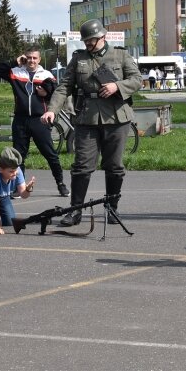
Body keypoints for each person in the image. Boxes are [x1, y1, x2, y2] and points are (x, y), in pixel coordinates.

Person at [41, 19, 143, 226]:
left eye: (92, 41)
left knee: (114, 167)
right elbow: (64, 87)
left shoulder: (121, 55)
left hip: (116, 118)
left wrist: (117, 86)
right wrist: (52, 110)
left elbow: (137, 80)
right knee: (81, 166)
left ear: (103, 37)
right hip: (86, 118)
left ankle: (112, 209)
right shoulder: (79, 59)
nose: (88, 44)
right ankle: (75, 211)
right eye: (85, 41)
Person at [0, 46, 70, 197]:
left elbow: (56, 94)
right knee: (18, 156)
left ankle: (61, 184)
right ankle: (18, 187)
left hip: (39, 120)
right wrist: (14, 62)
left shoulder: (46, 75)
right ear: (24, 58)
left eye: (34, 58)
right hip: (20, 120)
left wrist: (46, 94)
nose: (31, 61)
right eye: (28, 57)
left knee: (50, 154)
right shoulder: (16, 72)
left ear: (39, 59)